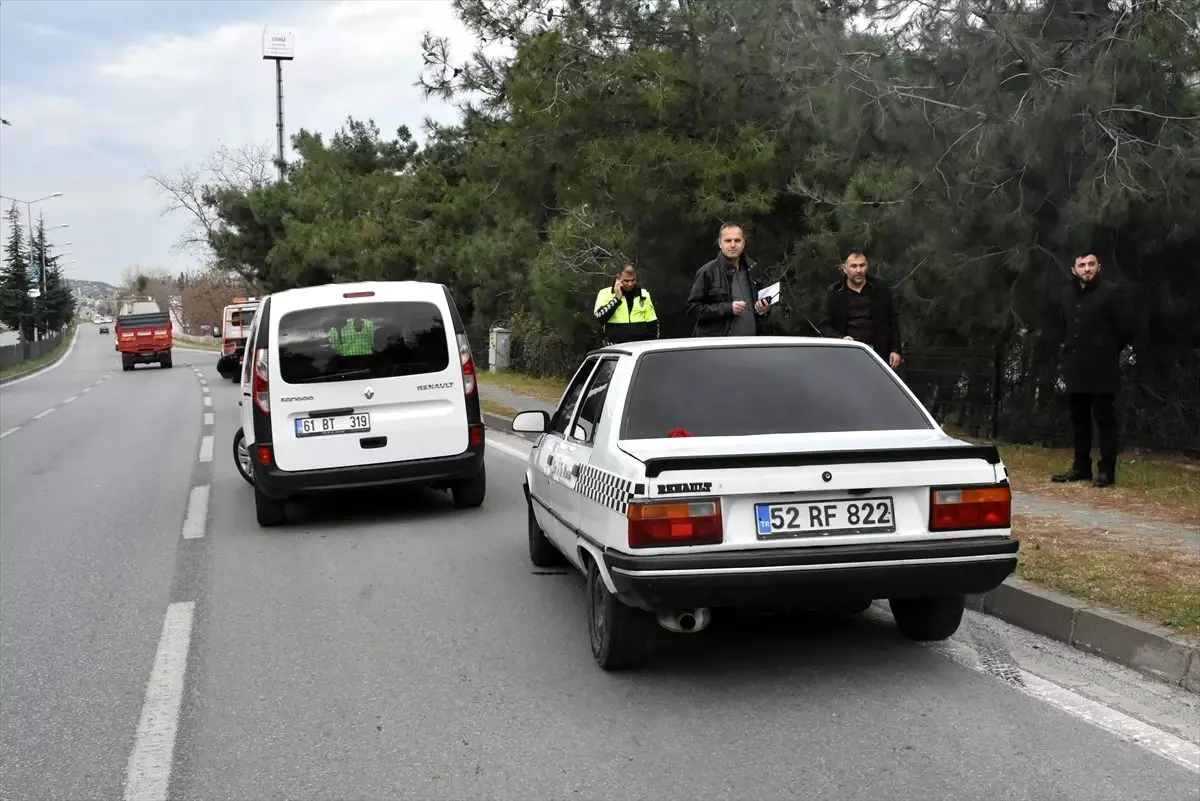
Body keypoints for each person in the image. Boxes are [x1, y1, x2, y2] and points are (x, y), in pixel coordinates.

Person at [1047, 250, 1137, 488]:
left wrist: (1108, 351)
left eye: (1091, 264)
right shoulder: (1066, 294)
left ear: (1099, 266)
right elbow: (1062, 327)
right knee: (1079, 419)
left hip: (1102, 367)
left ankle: (1106, 471)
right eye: (1082, 265)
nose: (1087, 269)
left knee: (1104, 419)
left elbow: (1126, 328)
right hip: (1075, 366)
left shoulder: (1112, 292)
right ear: (1073, 269)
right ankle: (1080, 467)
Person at [817, 248, 902, 369]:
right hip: (846, 356)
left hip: (878, 355)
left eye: (862, 265)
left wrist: (896, 349)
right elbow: (824, 325)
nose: (859, 270)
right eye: (854, 266)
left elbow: (892, 319)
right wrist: (841, 339)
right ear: (844, 268)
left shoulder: (880, 288)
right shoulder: (835, 293)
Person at [685, 223, 773, 337]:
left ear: (743, 243)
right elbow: (693, 310)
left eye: (737, 240)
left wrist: (764, 310)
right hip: (719, 348)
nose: (733, 245)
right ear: (720, 243)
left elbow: (760, 311)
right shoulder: (707, 272)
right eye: (728, 240)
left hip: (751, 347)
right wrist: (728, 308)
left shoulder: (753, 270)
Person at [593, 263, 659, 344]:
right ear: (618, 278)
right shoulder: (605, 293)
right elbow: (599, 318)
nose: (630, 284)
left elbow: (653, 324)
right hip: (615, 347)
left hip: (639, 346)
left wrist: (653, 344)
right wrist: (616, 299)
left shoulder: (643, 294)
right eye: (626, 281)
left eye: (633, 280)